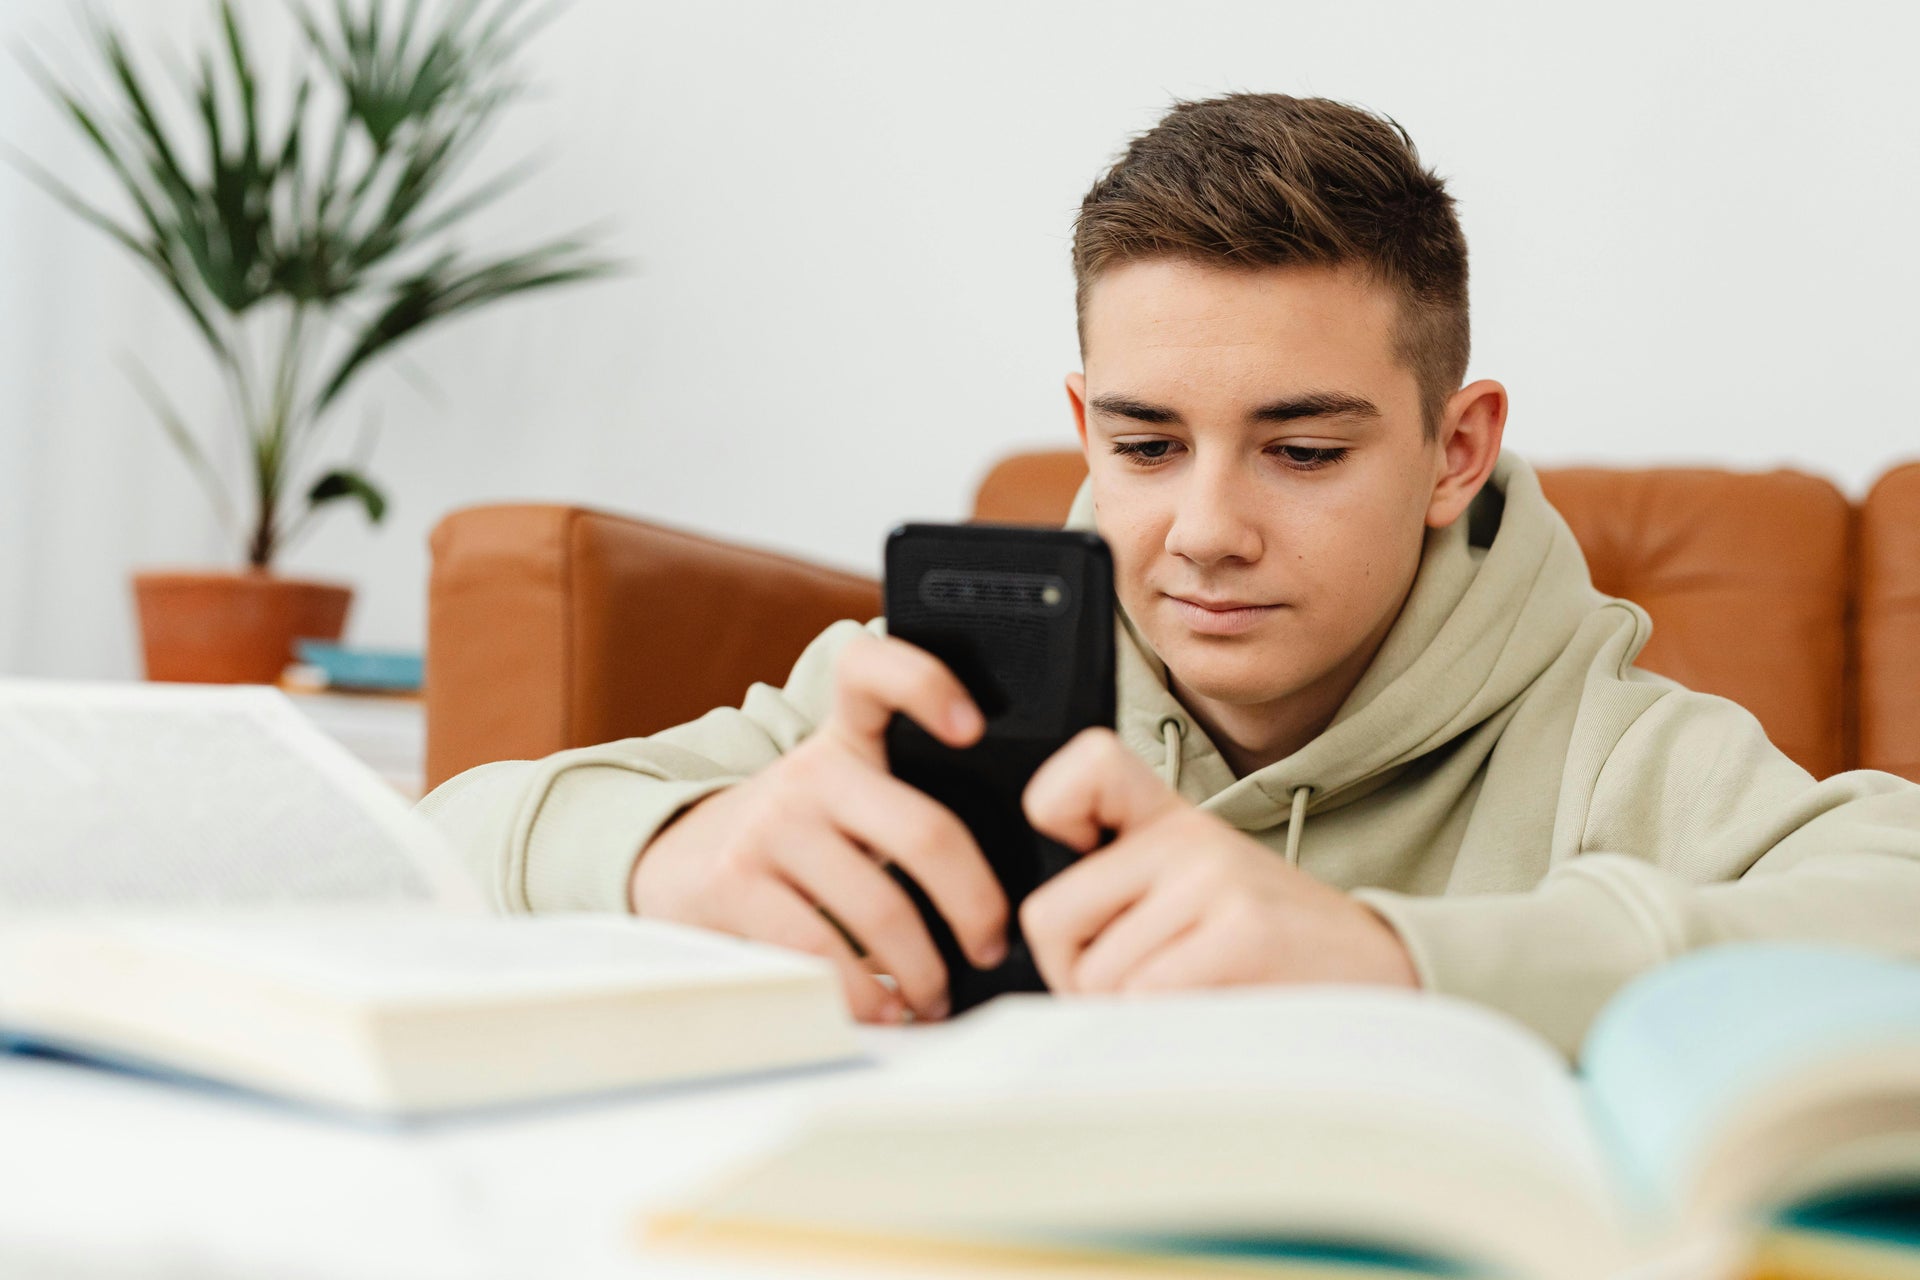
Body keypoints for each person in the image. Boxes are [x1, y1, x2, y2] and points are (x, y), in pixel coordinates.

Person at [418, 93, 1920, 1057]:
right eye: (1145, 447)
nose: (1204, 529)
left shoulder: (1610, 739)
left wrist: (1391, 961)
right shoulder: (933, 690)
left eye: (1305, 452)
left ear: (1455, 450)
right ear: (1081, 426)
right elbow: (440, 841)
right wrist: (670, 851)